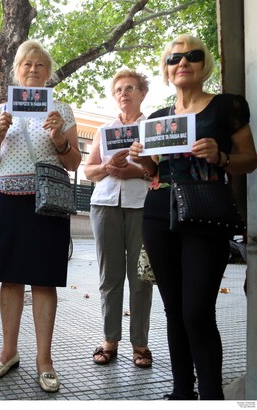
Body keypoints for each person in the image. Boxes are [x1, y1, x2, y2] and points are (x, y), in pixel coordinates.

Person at [129, 34, 257, 400]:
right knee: (173, 311)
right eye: (174, 58)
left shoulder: (227, 107)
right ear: (166, 70)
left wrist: (222, 157)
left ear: (205, 65)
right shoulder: (156, 119)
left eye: (192, 56)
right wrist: (140, 157)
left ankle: (212, 397)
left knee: (197, 311)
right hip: (157, 215)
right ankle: (182, 392)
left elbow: (250, 159)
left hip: (205, 213)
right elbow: (152, 171)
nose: (182, 62)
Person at [0, 40, 81, 393]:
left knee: (43, 279)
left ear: (48, 71)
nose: (33, 69)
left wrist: (59, 138)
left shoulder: (61, 110)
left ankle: (44, 359)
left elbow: (73, 162)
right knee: (10, 278)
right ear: (16, 70)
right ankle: (8, 351)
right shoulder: (0, 111)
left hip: (47, 203)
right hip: (7, 199)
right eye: (26, 64)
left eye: (39, 64)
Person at [84, 69, 153, 369]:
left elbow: (158, 173)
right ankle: (109, 339)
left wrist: (136, 170)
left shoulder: (153, 128)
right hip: (104, 205)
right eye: (119, 89)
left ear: (142, 93)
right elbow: (89, 171)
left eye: (130, 88)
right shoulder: (104, 130)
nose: (124, 93)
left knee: (140, 278)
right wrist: (108, 166)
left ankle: (141, 343)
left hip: (142, 206)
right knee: (109, 277)